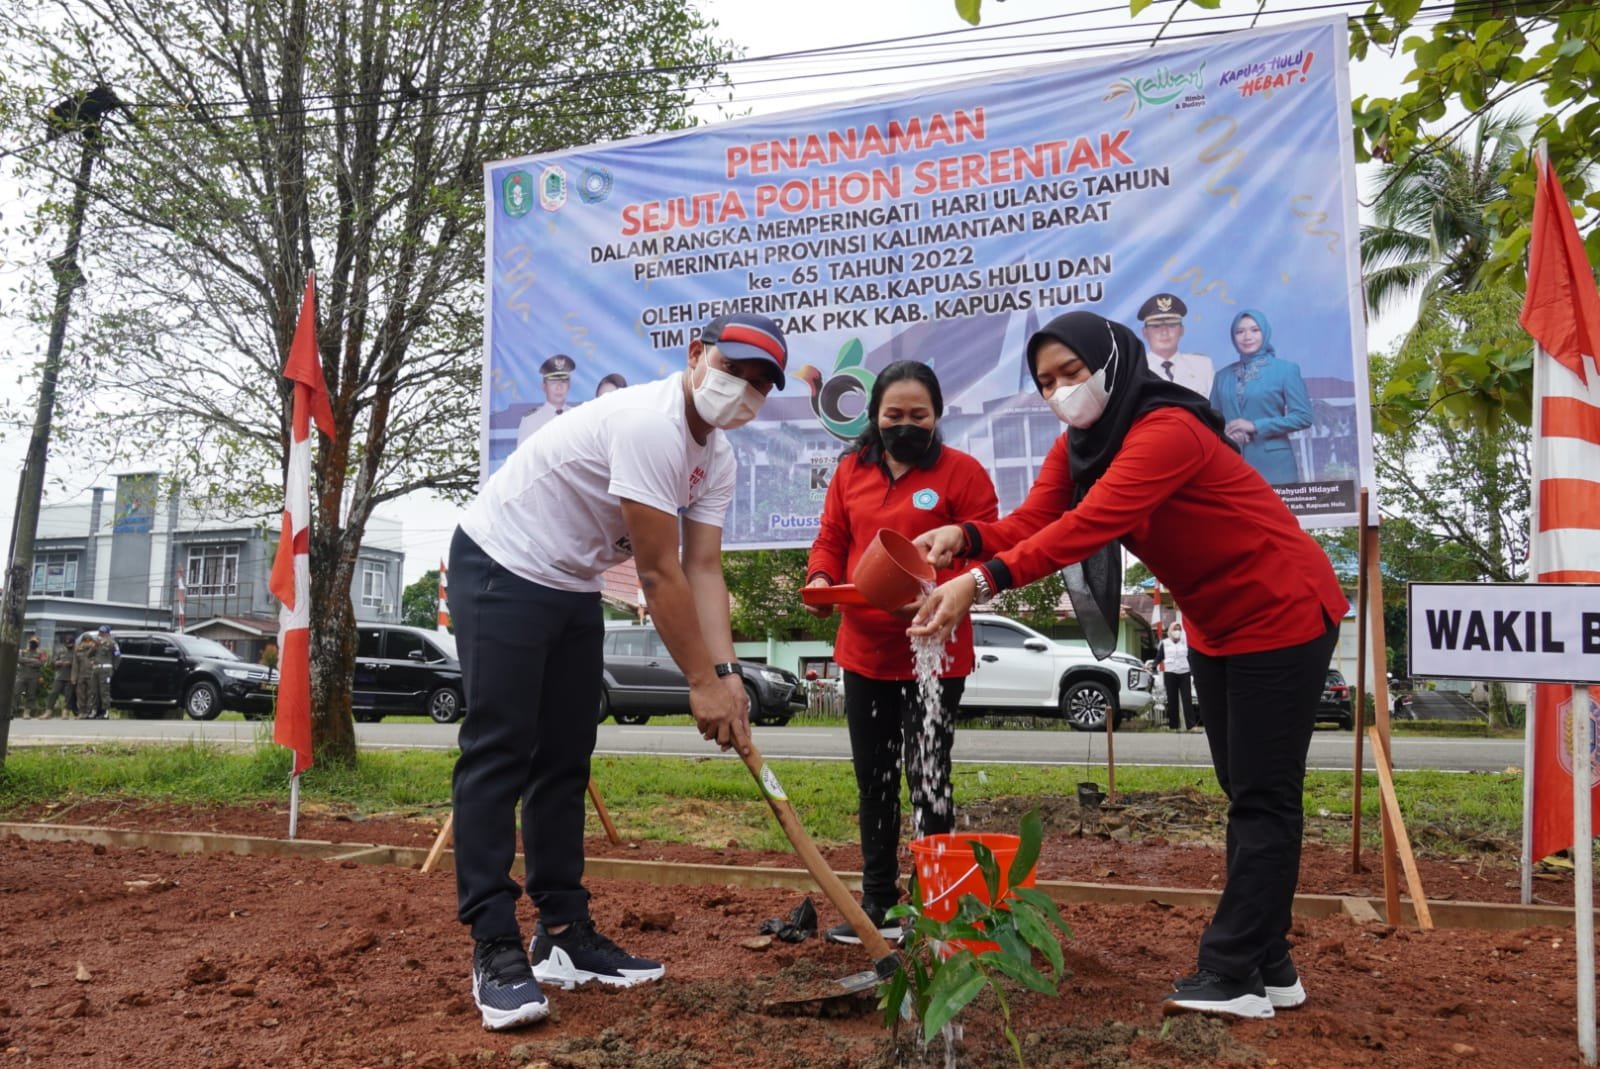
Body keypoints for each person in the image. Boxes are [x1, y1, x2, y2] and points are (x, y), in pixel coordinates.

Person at [909, 310, 1346, 1021]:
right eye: (1046, 380)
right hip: (1213, 621)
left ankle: (1231, 968)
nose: (1060, 391)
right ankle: (1270, 964)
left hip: (1281, 607)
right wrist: (967, 536)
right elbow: (1036, 521)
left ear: (1112, 362)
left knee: (1263, 797)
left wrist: (982, 581)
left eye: (1072, 373)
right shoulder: (1082, 442)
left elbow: (1089, 525)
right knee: (1245, 788)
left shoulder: (1165, 431)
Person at [450, 312, 790, 1032]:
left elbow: (703, 567)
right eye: (735, 370)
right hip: (502, 562)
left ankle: (563, 934)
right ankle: (494, 944)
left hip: (571, 581)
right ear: (696, 355)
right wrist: (699, 681)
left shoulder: (716, 458)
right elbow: (659, 571)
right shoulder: (649, 423)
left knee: (566, 757)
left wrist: (727, 671)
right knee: (499, 752)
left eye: (761, 384)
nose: (744, 390)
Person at [803, 360, 998, 945]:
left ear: (937, 417)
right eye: (894, 415)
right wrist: (819, 578)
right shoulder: (850, 471)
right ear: (874, 416)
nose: (906, 425)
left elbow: (988, 548)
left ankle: (938, 907)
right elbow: (832, 538)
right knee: (875, 782)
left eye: (919, 415)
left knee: (929, 775)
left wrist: (949, 579)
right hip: (863, 651)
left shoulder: (963, 472)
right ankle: (879, 904)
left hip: (935, 652)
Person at [1208, 309, 1312, 485]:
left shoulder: (1286, 370)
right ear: (1233, 337)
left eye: (1255, 330)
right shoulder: (1222, 376)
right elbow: (1210, 421)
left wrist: (1254, 426)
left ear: (1265, 332)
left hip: (1275, 466)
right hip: (1231, 464)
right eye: (1240, 332)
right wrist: (1227, 434)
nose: (1247, 336)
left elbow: (1303, 417)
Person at [1137, 292, 1213, 397]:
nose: (1164, 332)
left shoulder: (1202, 366)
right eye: (1156, 326)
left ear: (1182, 330)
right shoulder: (1136, 370)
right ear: (1144, 332)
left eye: (1171, 325)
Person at [515, 354, 578, 444]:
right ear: (544, 387)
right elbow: (523, 456)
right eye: (553, 383)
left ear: (569, 385)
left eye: (563, 382)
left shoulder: (578, 416)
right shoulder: (530, 420)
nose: (559, 387)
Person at [1158, 621, 1199, 731]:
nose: (1177, 631)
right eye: (1175, 629)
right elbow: (1159, 657)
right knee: (1172, 700)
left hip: (1184, 673)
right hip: (1170, 673)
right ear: (1170, 631)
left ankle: (1191, 726)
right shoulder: (1165, 643)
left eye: (1179, 629)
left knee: (1187, 700)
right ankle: (1174, 726)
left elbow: (1190, 658)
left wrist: (1194, 673)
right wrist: (1151, 665)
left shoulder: (1185, 643)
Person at [45, 634, 76, 718]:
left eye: (71, 644)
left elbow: (79, 664)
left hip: (70, 677)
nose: (69, 646)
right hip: (59, 676)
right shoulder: (60, 652)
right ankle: (48, 712)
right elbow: (52, 662)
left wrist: (71, 663)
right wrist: (57, 663)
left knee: (68, 695)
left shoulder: (76, 653)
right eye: (67, 644)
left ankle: (65, 712)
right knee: (53, 693)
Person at [15, 636, 46, 718]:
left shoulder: (41, 653)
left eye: (35, 643)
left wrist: (26, 661)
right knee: (16, 692)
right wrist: (32, 660)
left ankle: (27, 712)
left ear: (38, 644)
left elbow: (41, 663)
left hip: (33, 676)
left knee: (31, 695)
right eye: (32, 642)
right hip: (21, 675)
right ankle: (12, 710)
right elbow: (19, 659)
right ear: (29, 642)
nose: (33, 644)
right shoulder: (22, 651)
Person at [73, 631, 101, 719]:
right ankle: (81, 712)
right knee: (80, 694)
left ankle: (88, 712)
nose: (87, 642)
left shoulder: (95, 650)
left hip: (92, 675)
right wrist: (73, 677)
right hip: (81, 675)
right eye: (85, 640)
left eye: (89, 640)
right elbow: (75, 665)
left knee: (91, 694)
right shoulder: (78, 651)